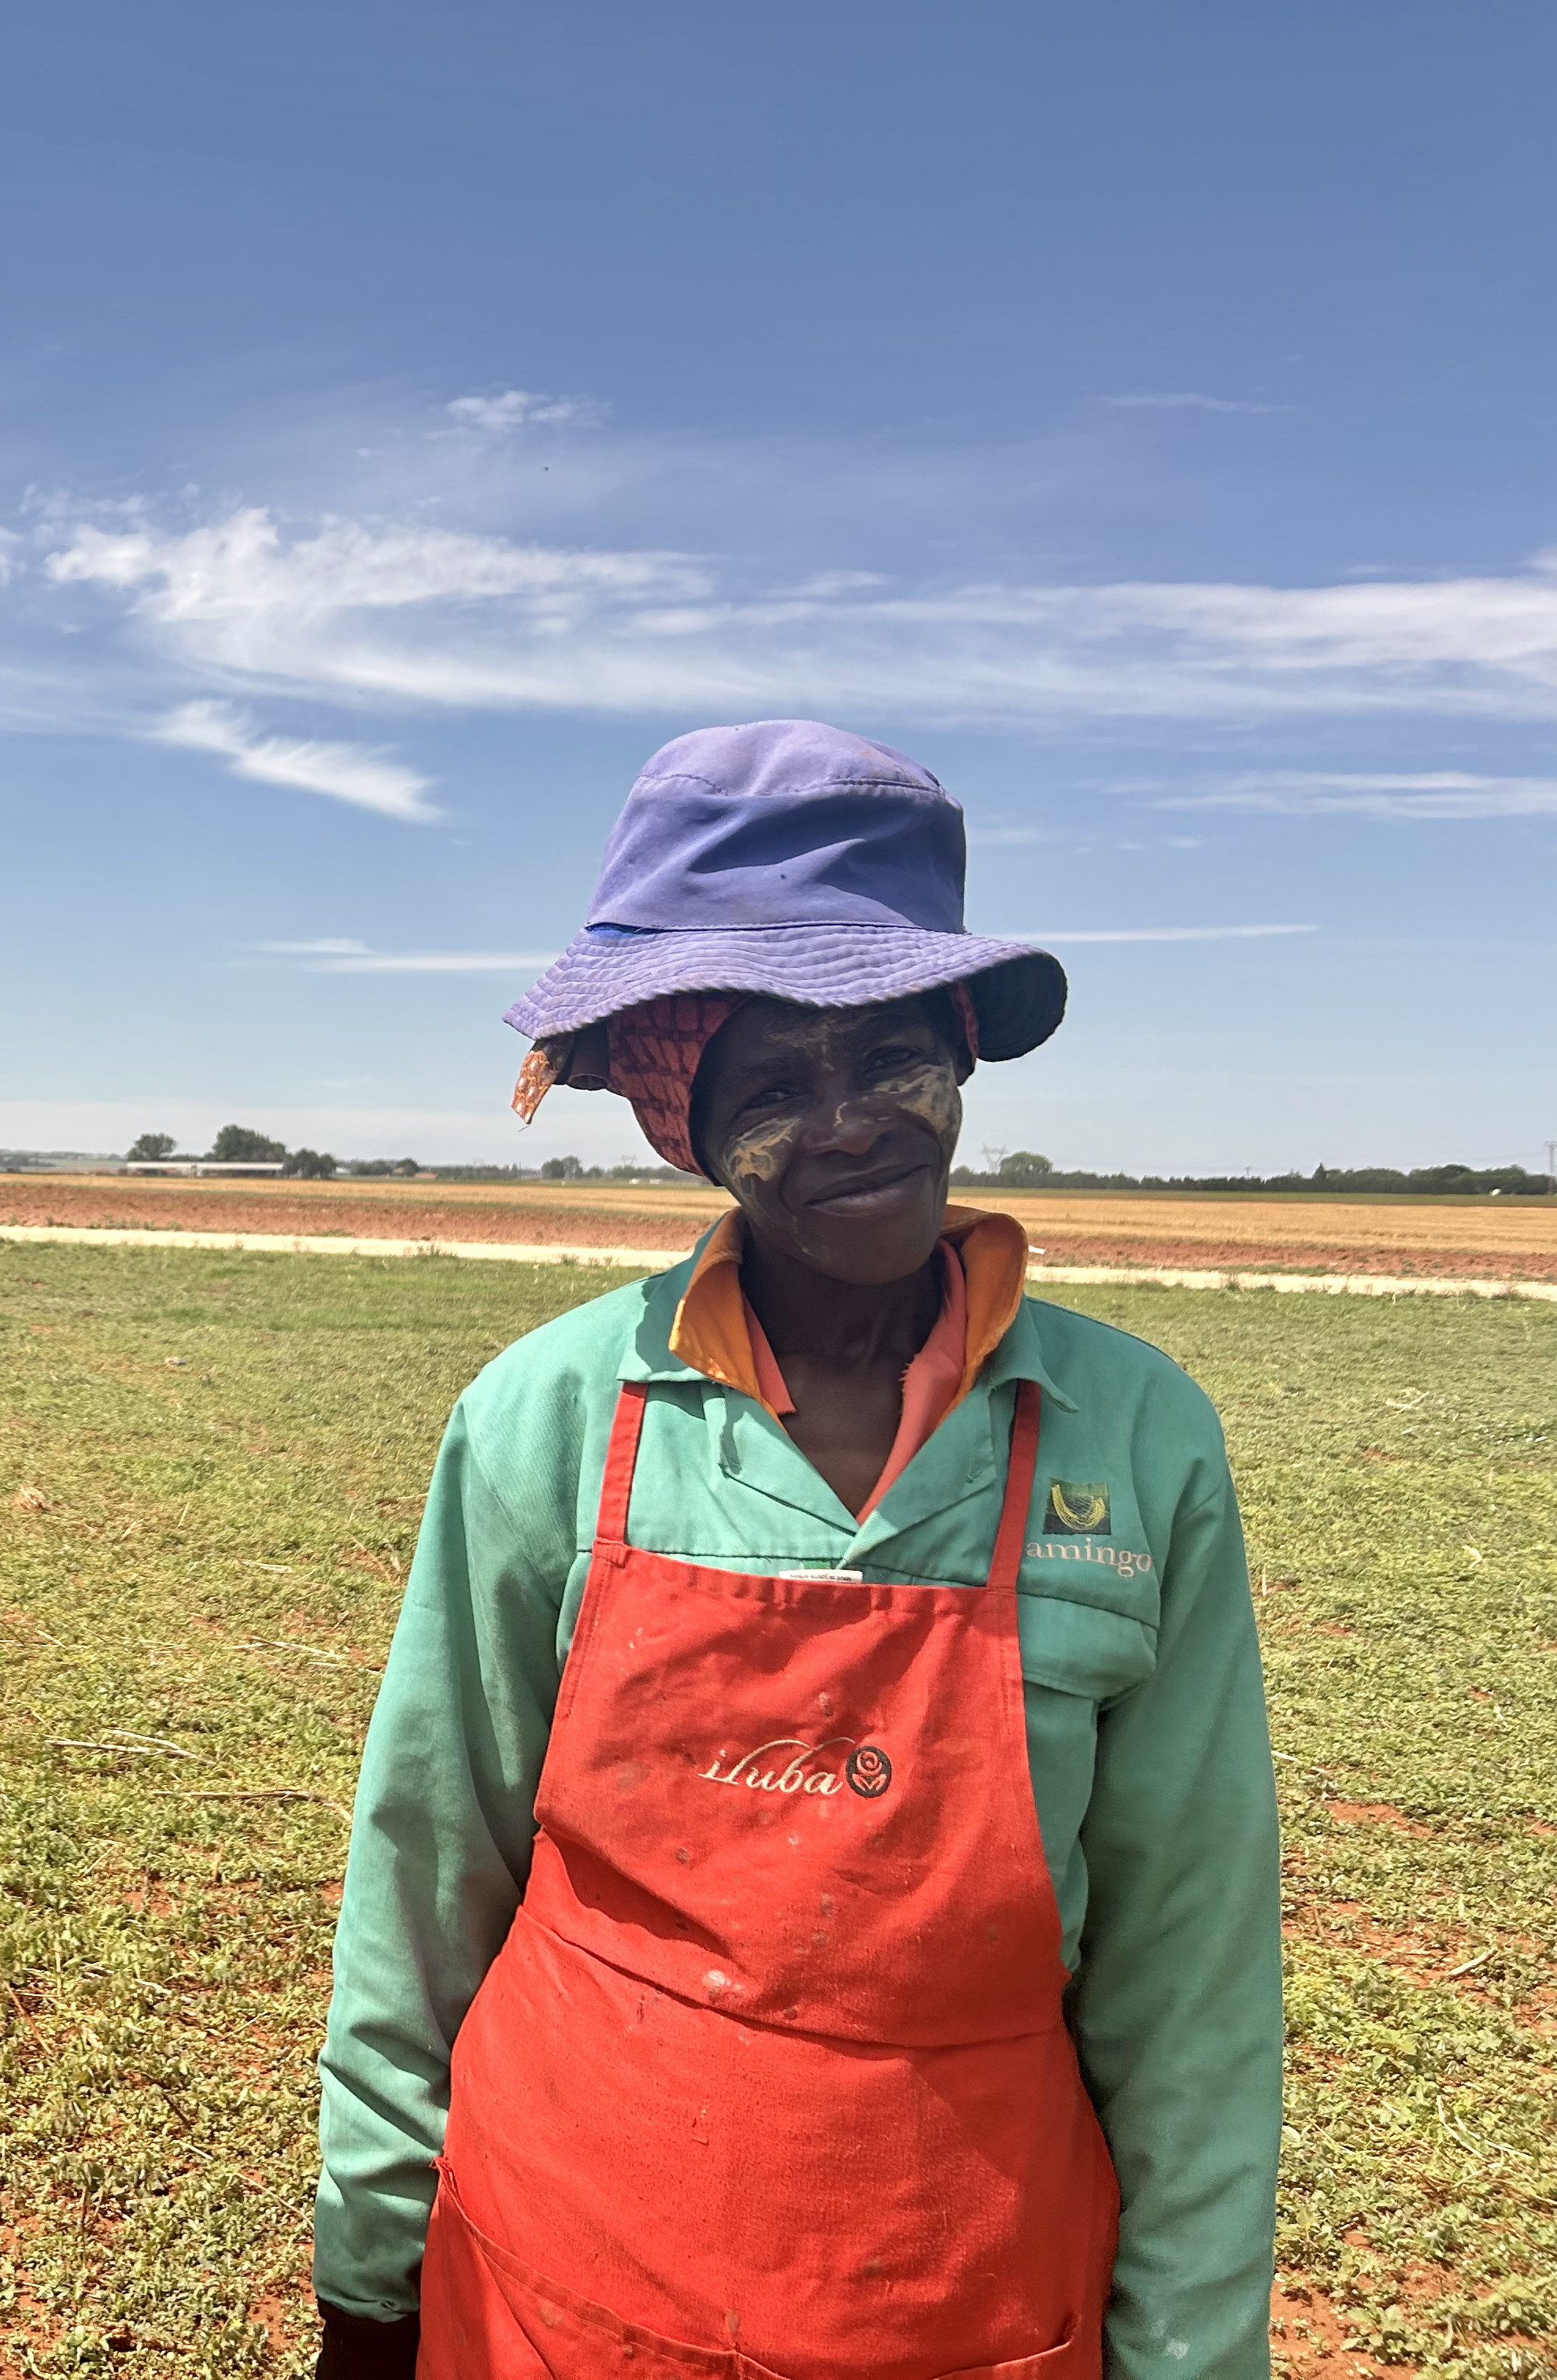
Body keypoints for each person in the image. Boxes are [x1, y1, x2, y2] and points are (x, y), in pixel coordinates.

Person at [312, 722, 1281, 2379]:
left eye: (893, 1053)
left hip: (965, 2309)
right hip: (560, 2293)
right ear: (687, 1123)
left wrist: (1190, 2352)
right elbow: (427, 1872)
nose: (852, 1127)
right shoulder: (547, 1418)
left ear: (963, 1052)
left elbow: (1193, 1976)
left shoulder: (1136, 1438)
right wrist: (368, 2281)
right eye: (774, 1086)